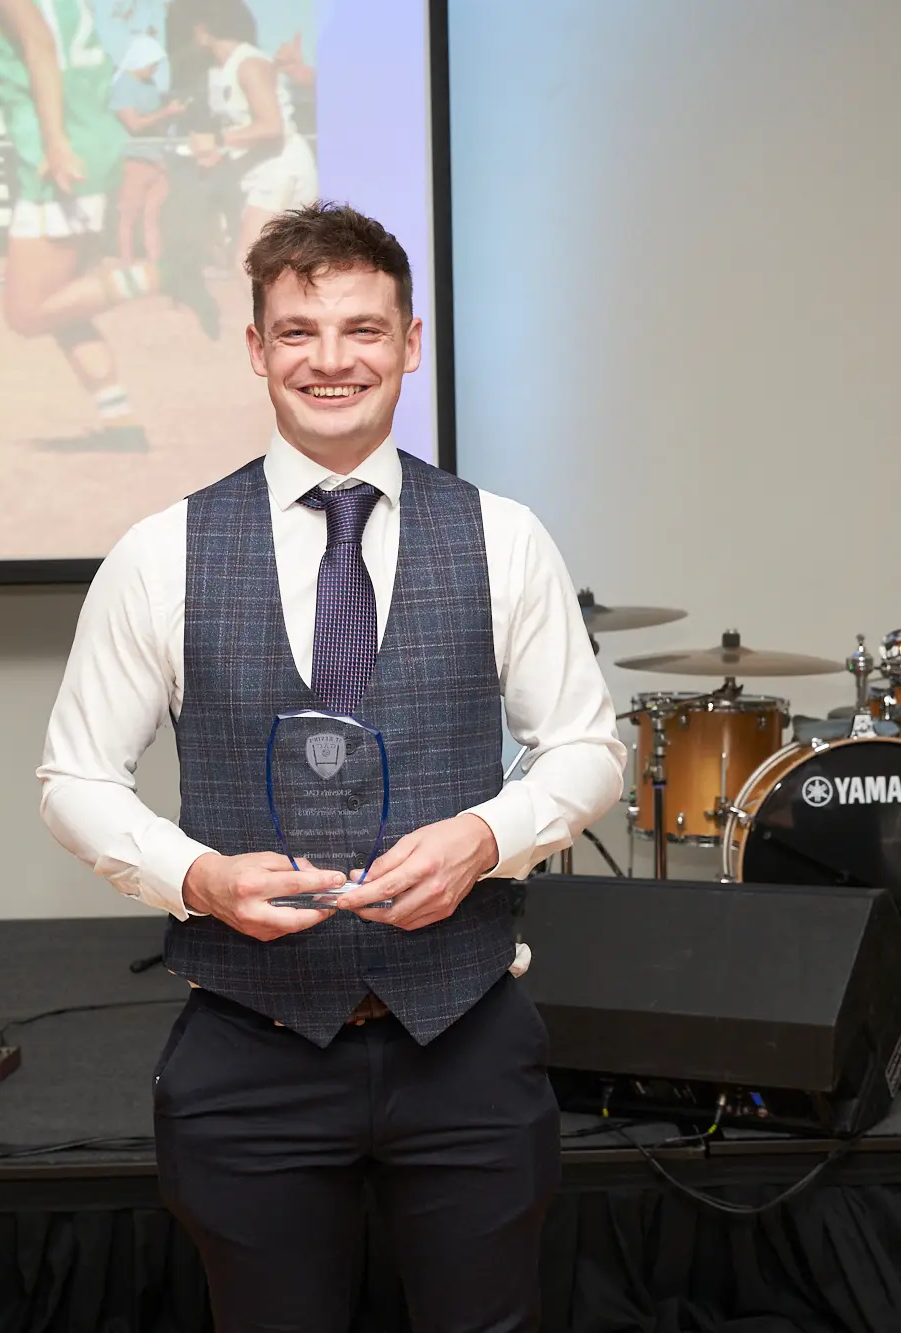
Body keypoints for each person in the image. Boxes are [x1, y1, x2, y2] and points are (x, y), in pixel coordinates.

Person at [38, 202, 624, 1330]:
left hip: (465, 1043)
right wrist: (195, 878)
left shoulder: (502, 536)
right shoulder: (160, 552)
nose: (331, 359)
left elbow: (587, 748)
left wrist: (486, 836)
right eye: (298, 331)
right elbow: (74, 778)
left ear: (410, 343)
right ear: (256, 350)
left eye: (362, 329)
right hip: (247, 1053)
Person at [0, 0, 218, 450]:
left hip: (58, 157)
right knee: (64, 305)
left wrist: (53, 142)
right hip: (92, 141)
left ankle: (166, 272)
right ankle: (119, 421)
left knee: (26, 314)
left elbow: (40, 46)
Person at [175, 0, 317, 264]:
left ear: (204, 29)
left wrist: (217, 140)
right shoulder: (224, 69)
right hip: (262, 171)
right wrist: (217, 153)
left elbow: (272, 126)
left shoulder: (248, 64)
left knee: (248, 262)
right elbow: (245, 129)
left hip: (280, 168)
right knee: (277, 265)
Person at [109, 35, 186, 267]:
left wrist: (172, 118)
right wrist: (166, 113)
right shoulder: (122, 86)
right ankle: (126, 262)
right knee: (129, 214)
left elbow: (155, 122)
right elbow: (134, 124)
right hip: (134, 158)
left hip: (157, 158)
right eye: (152, 63)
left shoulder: (151, 85)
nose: (155, 69)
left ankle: (155, 263)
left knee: (153, 215)